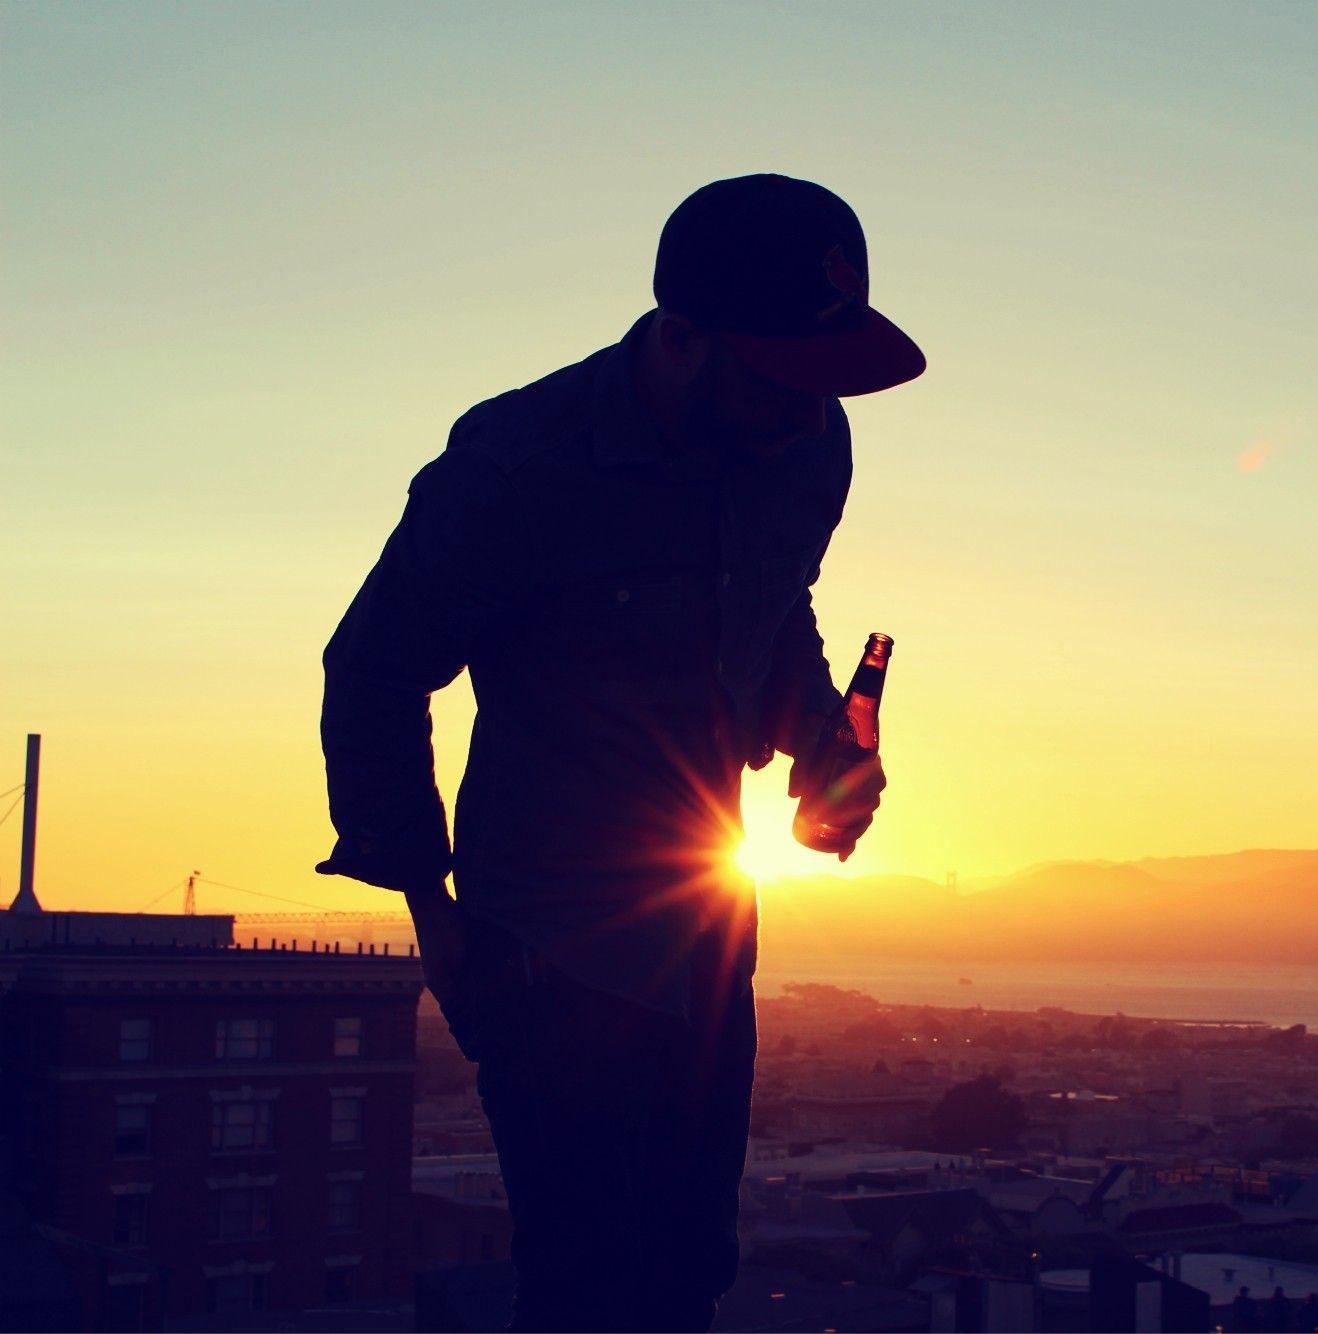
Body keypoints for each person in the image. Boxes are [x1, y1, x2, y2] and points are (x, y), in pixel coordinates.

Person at [317, 174, 923, 1331]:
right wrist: (432, 914)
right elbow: (375, 667)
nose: (811, 408)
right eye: (782, 374)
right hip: (543, 944)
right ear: (681, 339)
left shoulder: (806, 447)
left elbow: (775, 604)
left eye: (826, 378)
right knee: (588, 1287)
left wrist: (813, 740)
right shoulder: (519, 466)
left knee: (689, 1268)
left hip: (704, 932)